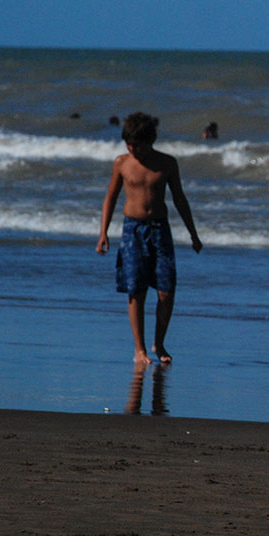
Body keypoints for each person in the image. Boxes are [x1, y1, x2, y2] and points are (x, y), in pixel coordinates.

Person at [96, 112, 203, 367]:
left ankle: (159, 343)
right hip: (132, 230)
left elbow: (179, 199)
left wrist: (193, 234)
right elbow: (110, 197)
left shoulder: (167, 163)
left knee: (167, 291)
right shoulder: (122, 163)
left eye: (138, 145)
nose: (133, 150)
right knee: (136, 290)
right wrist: (103, 233)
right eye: (129, 145)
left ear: (150, 141)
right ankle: (139, 349)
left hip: (159, 229)